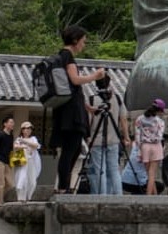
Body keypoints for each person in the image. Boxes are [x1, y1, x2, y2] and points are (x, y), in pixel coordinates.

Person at [50, 25, 106, 194]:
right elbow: (75, 81)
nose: (84, 45)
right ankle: (63, 188)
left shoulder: (59, 56)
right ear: (75, 40)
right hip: (71, 114)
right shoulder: (68, 57)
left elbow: (70, 89)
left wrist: (87, 107)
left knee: (71, 150)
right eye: (83, 41)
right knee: (70, 150)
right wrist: (95, 76)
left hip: (63, 110)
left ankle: (63, 187)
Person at [86, 78, 130, 195]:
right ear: (109, 83)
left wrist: (88, 138)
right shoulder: (117, 99)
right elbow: (123, 119)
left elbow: (88, 121)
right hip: (114, 139)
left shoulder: (91, 99)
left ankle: (102, 196)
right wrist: (126, 137)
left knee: (100, 171)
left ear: (96, 84)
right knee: (114, 170)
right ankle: (118, 196)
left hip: (96, 140)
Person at [134, 98, 166, 196]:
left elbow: (137, 136)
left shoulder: (139, 119)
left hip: (144, 146)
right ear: (159, 110)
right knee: (152, 174)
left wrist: (139, 149)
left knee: (149, 173)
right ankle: (148, 196)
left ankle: (155, 195)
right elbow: (159, 137)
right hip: (156, 146)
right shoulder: (160, 121)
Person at [12, 121, 42, 202]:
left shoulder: (33, 139)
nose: (28, 130)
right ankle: (21, 198)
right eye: (25, 128)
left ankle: (29, 197)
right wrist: (24, 146)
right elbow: (16, 146)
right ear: (22, 130)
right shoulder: (18, 139)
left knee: (32, 181)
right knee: (21, 179)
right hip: (22, 162)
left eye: (29, 128)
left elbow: (36, 145)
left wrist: (24, 142)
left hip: (31, 162)